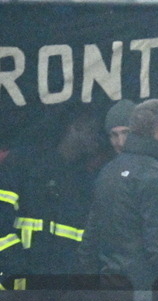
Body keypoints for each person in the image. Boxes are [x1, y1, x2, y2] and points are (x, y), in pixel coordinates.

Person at [0, 108, 104, 289]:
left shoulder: (84, 180)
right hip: (17, 284)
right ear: (75, 127)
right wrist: (15, 265)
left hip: (61, 285)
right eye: (92, 130)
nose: (97, 140)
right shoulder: (22, 164)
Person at [84, 99, 158, 291]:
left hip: (109, 284)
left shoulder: (107, 172)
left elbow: (91, 238)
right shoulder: (156, 175)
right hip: (145, 288)